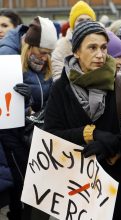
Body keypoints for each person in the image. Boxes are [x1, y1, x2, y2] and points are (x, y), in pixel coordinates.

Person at [44, 21, 121, 220]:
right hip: (75, 190)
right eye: (92, 47)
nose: (100, 54)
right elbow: (51, 135)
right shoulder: (61, 88)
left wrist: (115, 146)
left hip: (115, 187)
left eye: (104, 48)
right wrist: (89, 133)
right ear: (77, 51)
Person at [0, 16, 57, 220]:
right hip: (13, 134)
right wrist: (21, 102)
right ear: (28, 44)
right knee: (24, 183)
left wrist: (32, 100)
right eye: (42, 52)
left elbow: (45, 98)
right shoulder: (7, 54)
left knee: (29, 184)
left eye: (49, 54)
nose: (45, 58)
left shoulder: (42, 63)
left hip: (34, 133)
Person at [51, 0, 96, 81]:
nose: (85, 23)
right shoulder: (63, 44)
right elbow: (57, 73)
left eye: (88, 20)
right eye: (80, 20)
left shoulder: (99, 43)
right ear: (73, 24)